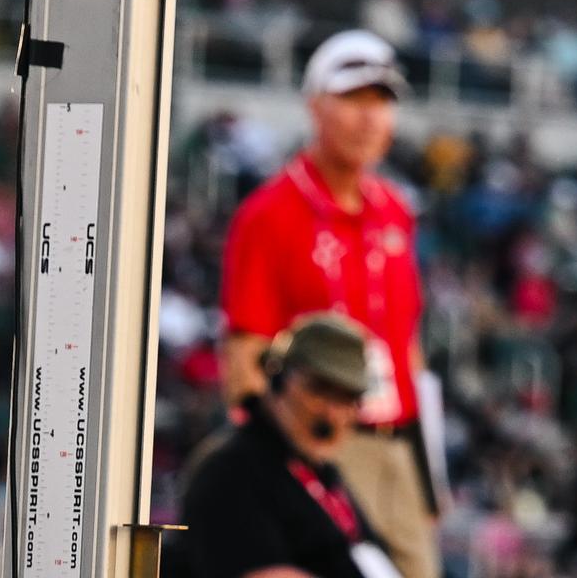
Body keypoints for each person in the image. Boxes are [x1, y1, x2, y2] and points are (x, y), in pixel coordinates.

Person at [219, 32, 438, 578]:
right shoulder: (270, 213)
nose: (369, 119)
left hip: (396, 446)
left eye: (382, 102)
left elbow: (407, 348)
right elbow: (245, 352)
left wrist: (429, 473)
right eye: (353, 100)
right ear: (314, 104)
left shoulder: (395, 210)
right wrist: (275, 466)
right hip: (320, 442)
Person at [170, 314, 404, 578]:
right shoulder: (231, 470)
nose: (333, 415)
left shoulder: (320, 471)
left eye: (347, 399)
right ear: (278, 378)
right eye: (321, 391)